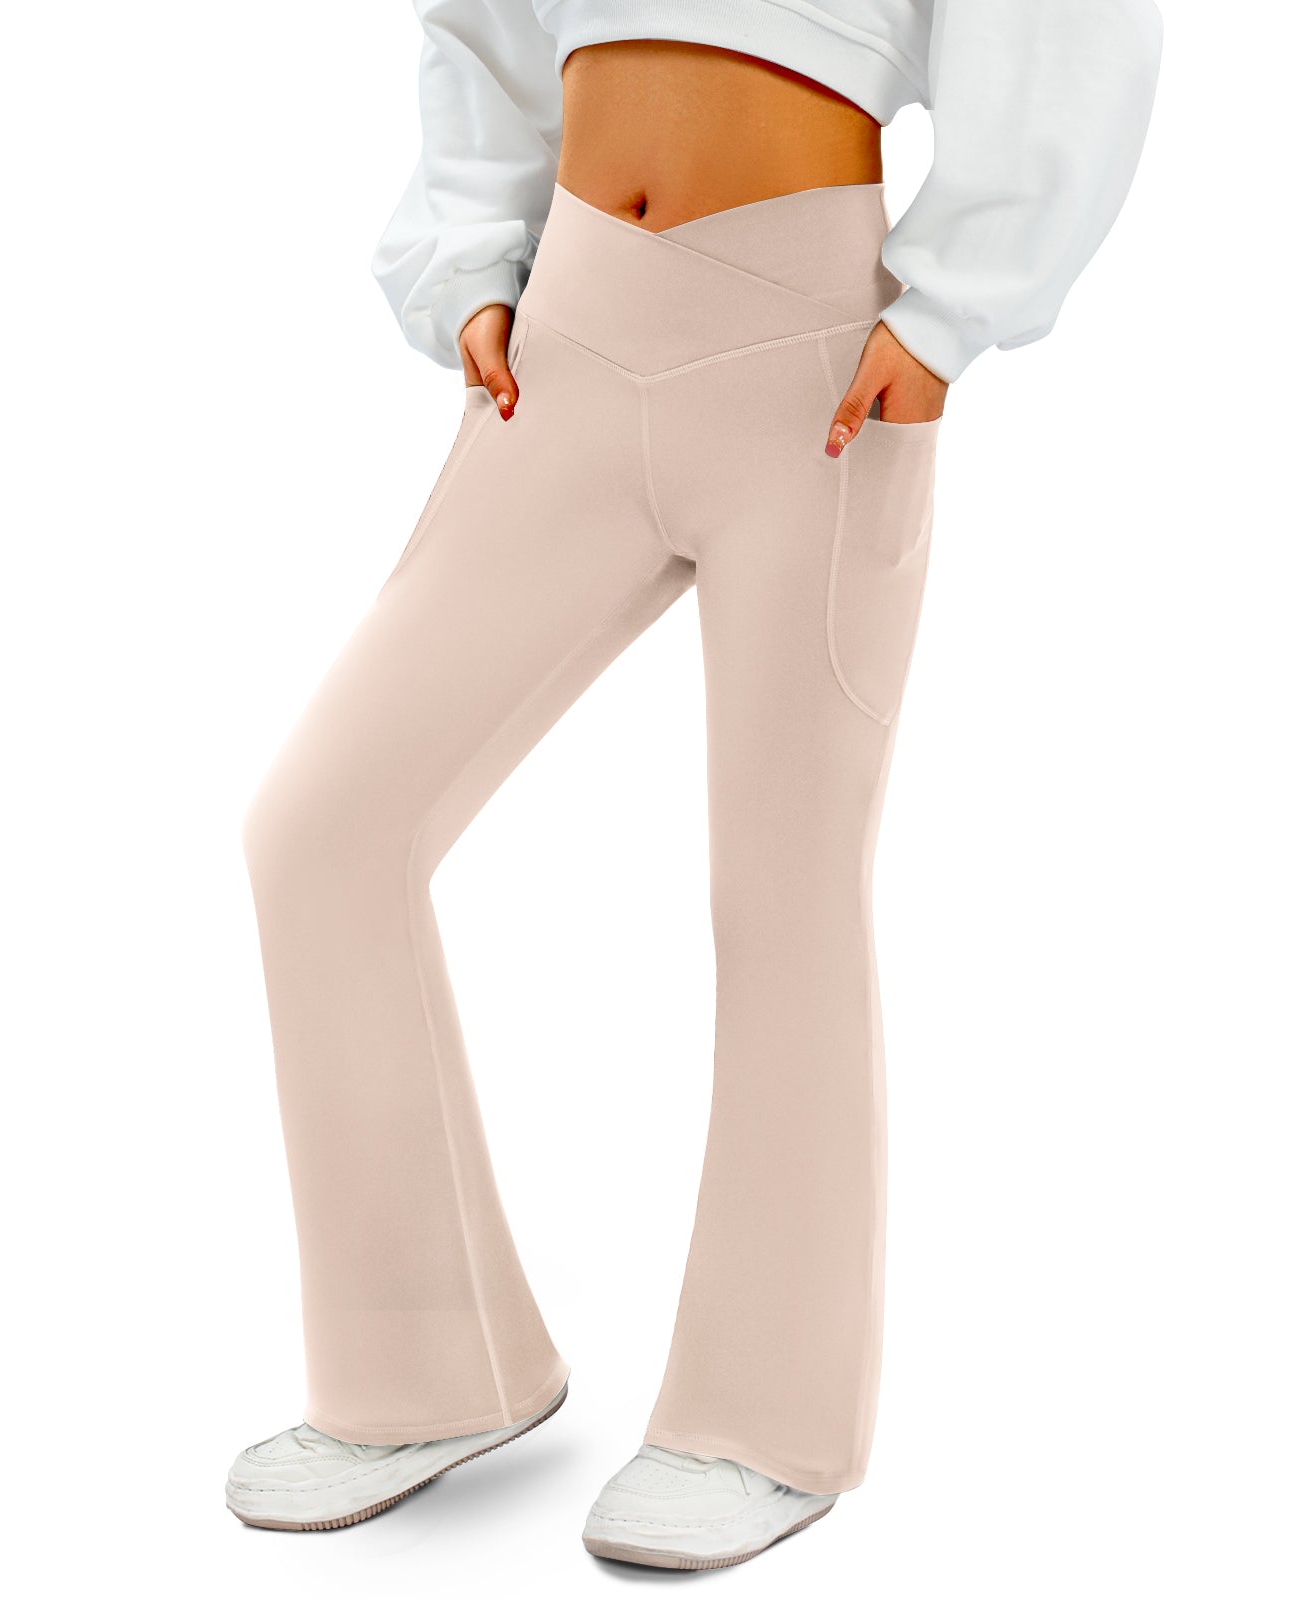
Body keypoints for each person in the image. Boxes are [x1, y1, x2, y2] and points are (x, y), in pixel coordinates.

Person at [223, 0, 1163, 1570]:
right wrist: (472, 265)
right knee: (321, 832)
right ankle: (422, 1371)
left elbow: (1071, 24)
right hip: (568, 345)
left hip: (817, 362)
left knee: (781, 890)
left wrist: (952, 312)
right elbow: (483, 32)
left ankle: (759, 1426)